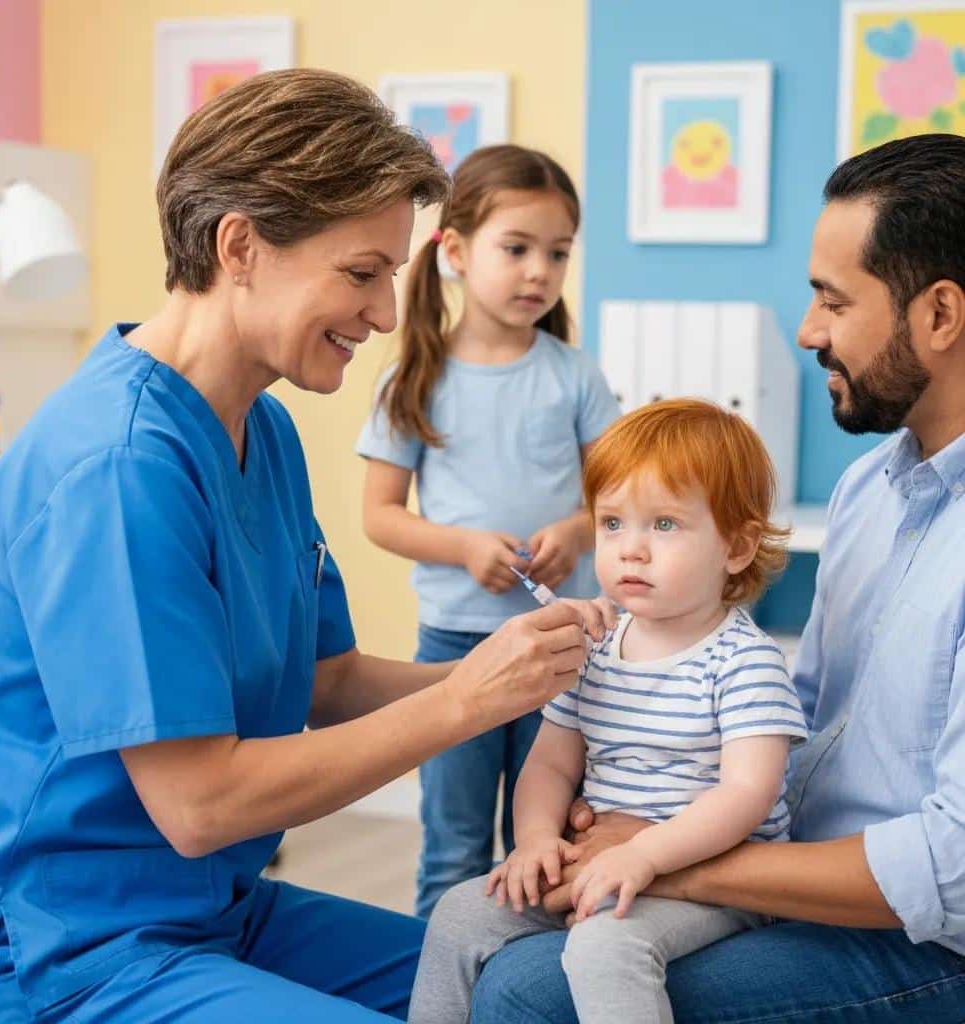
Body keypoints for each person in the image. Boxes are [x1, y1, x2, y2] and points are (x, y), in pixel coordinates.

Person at [0, 70, 597, 1024]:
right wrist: (465, 700)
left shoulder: (264, 428)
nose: (384, 315)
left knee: (537, 989)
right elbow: (199, 805)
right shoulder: (116, 468)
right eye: (361, 273)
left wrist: (529, 675)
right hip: (62, 948)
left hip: (215, 908)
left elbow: (327, 680)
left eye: (390, 277)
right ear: (240, 245)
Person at [468, 133, 965, 1023]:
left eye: (832, 299)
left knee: (528, 993)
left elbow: (951, 871)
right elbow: (798, 729)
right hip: (794, 879)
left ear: (940, 315)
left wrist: (670, 857)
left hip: (925, 941)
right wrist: (642, 818)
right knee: (490, 935)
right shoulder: (868, 489)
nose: (808, 331)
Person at [408, 399, 808, 1024]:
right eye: (613, 523)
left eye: (665, 525)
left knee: (604, 942)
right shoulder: (593, 650)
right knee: (461, 913)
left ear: (736, 547)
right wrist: (536, 840)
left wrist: (645, 855)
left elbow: (747, 795)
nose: (631, 550)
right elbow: (550, 765)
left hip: (715, 881)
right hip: (603, 861)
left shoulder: (745, 662)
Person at [357, 144, 620, 918]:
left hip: (558, 647)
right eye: (517, 248)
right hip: (453, 651)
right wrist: (464, 547)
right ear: (456, 252)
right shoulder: (414, 378)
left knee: (541, 842)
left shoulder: (575, 375)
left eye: (558, 253)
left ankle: (521, 977)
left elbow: (619, 499)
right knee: (453, 845)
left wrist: (577, 530)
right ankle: (435, 976)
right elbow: (379, 515)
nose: (539, 271)